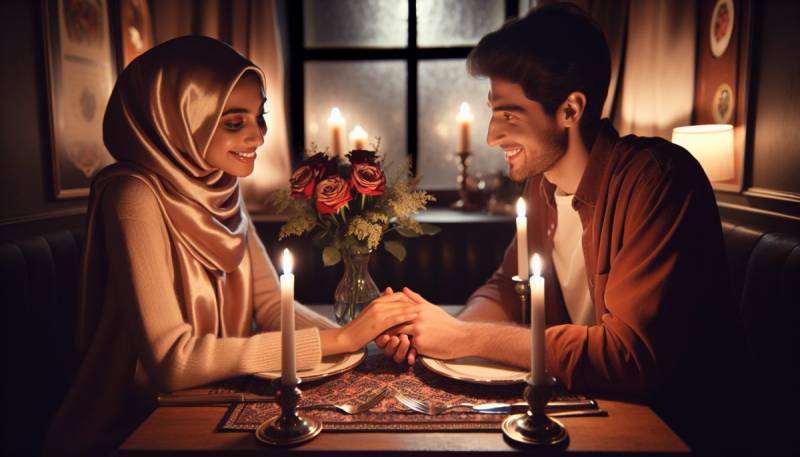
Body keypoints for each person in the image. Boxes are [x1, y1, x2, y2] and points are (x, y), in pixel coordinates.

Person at [377, 4, 742, 453]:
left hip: (672, 431)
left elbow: (628, 358)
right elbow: (505, 288)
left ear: (570, 109)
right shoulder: (541, 186)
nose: (492, 136)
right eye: (493, 112)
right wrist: (442, 337)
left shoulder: (658, 181)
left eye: (509, 115)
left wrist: (464, 338)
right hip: (592, 412)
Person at [43, 36, 420, 457]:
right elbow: (172, 360)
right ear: (178, 120)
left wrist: (357, 341)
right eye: (234, 122)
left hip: (215, 402)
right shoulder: (132, 193)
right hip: (135, 425)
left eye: (260, 117)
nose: (258, 135)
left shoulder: (219, 184)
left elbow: (270, 304)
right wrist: (342, 340)